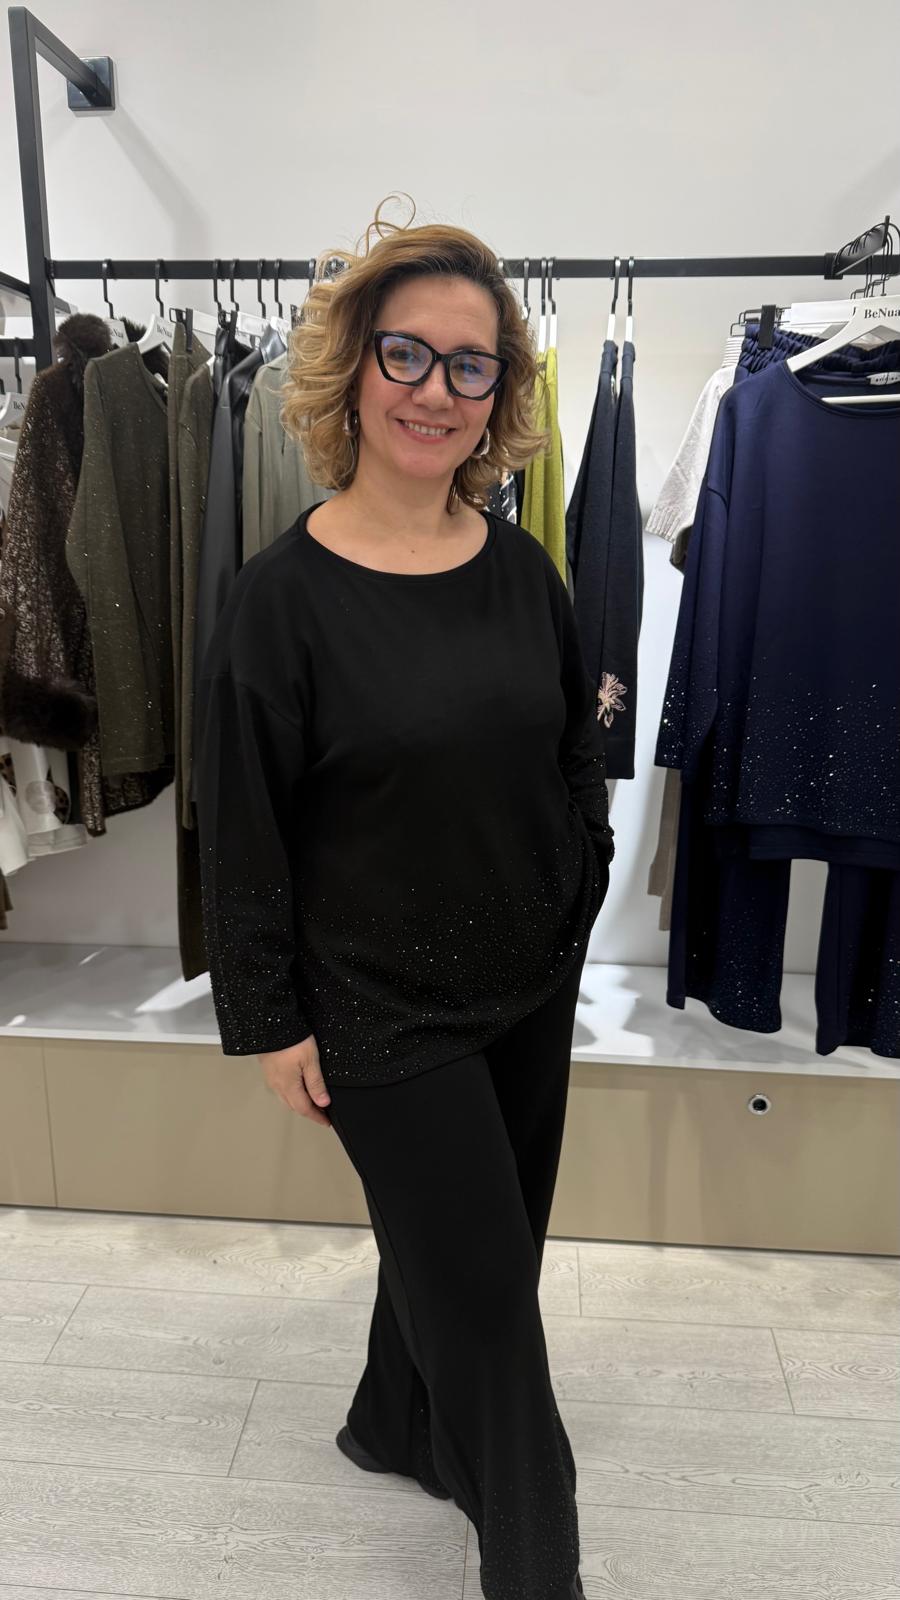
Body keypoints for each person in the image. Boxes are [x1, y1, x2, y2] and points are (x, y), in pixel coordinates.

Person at [194, 194, 613, 1600]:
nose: (436, 391)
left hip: (526, 980)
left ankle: (394, 1425)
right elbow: (241, 829)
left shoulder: (524, 572)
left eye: (469, 364)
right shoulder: (278, 600)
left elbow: (570, 751)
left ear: (499, 391)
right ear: (355, 367)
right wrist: (270, 1021)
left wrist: (577, 887)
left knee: (476, 1251)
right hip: (379, 1008)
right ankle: (537, 1563)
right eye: (408, 355)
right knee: (489, 1303)